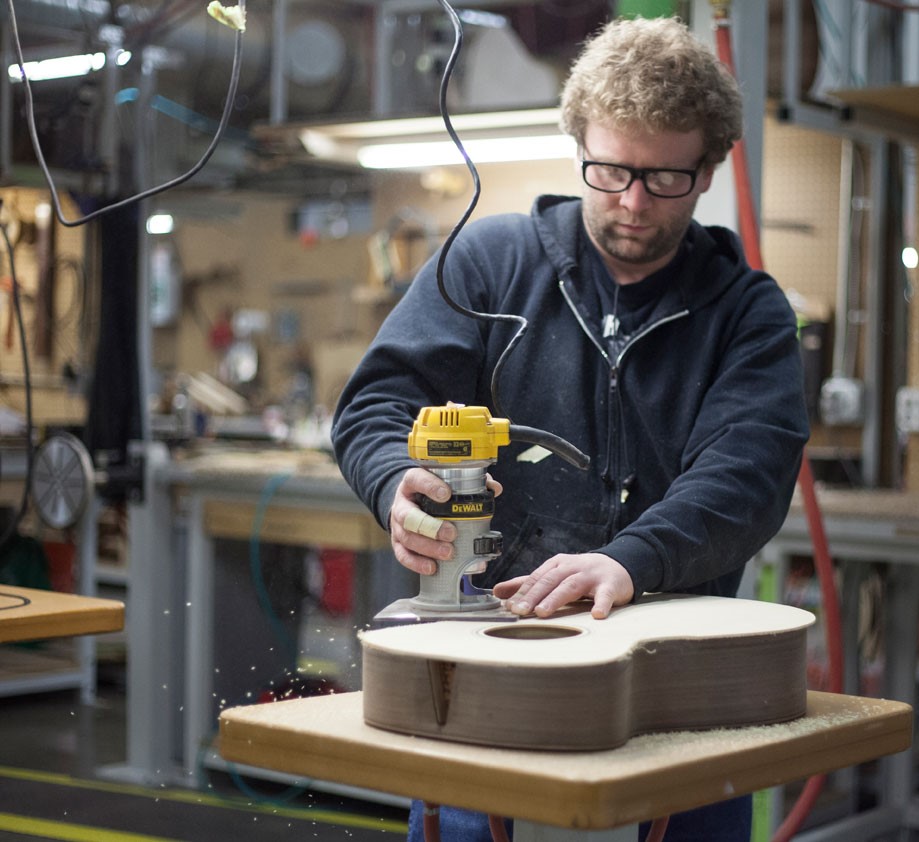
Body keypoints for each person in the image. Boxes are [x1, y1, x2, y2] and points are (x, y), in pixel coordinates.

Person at [333, 15, 809, 842]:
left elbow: (746, 478)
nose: (631, 203)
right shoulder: (488, 266)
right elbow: (378, 403)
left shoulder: (747, 313)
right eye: (611, 170)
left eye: (664, 179)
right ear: (577, 142)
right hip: (487, 675)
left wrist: (629, 560)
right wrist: (390, 481)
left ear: (708, 168)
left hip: (680, 699)